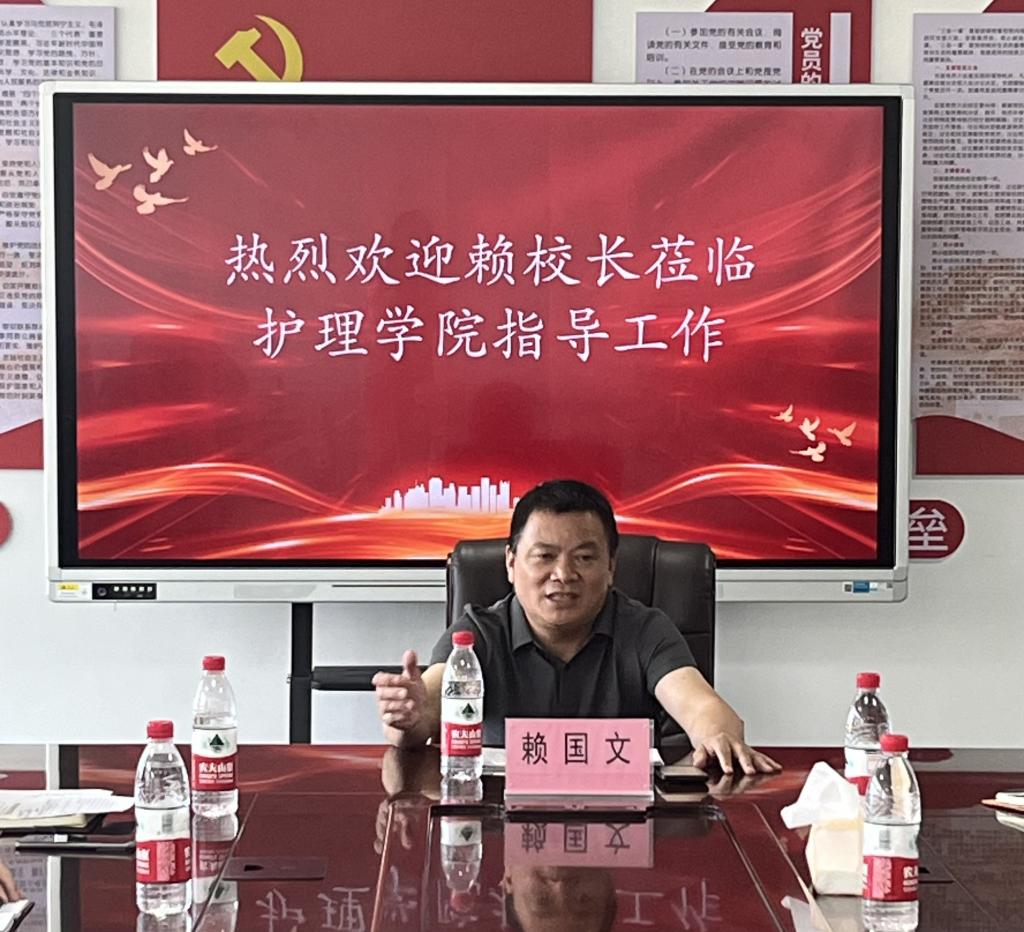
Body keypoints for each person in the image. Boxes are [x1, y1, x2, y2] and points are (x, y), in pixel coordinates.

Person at [373, 479, 780, 775]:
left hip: (623, 830)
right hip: (500, 829)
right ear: (511, 563)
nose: (563, 574)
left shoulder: (645, 630)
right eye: (544, 556)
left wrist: (717, 732)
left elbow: (701, 707)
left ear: (611, 566)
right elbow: (426, 709)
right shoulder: (476, 635)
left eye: (584, 558)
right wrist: (409, 715)